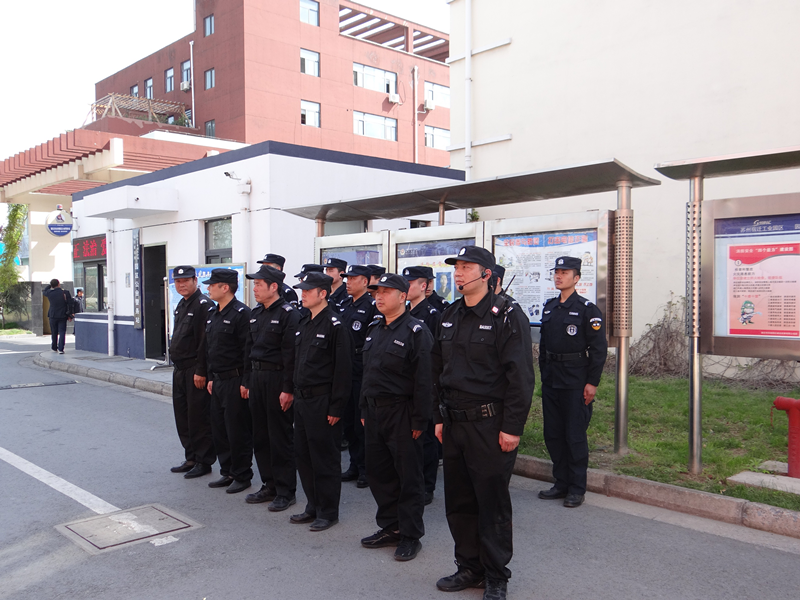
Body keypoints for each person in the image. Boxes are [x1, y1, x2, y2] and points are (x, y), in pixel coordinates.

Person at [432, 246, 535, 600]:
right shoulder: (450, 314)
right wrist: (438, 417)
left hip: (490, 425)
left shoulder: (507, 316)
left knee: (491, 503)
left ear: (487, 274)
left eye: (466, 267)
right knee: (459, 501)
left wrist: (513, 428)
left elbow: (521, 378)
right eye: (457, 267)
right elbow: (437, 370)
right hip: (454, 423)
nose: (459, 273)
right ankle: (469, 567)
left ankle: (495, 575)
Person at [359, 273, 433, 562]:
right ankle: (391, 526)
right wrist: (364, 409)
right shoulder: (374, 329)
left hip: (402, 413)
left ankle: (411, 535)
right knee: (379, 473)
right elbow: (368, 374)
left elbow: (424, 380)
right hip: (374, 411)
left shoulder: (416, 332)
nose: (379, 296)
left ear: (403, 296)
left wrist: (419, 420)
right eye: (377, 292)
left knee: (408, 476)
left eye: (386, 292)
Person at [537, 256, 607, 509]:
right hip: (552, 380)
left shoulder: (588, 310)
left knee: (574, 435)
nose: (559, 276)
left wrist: (592, 382)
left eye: (565, 272)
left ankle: (577, 488)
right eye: (557, 272)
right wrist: (544, 373)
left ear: (576, 278)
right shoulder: (549, 307)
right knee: (553, 434)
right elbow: (544, 346)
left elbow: (598, 349)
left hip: (576, 381)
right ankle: (561, 483)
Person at [290, 272, 352, 532]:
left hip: (322, 401)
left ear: (322, 293)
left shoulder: (335, 325)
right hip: (302, 400)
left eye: (307, 290)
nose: (302, 294)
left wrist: (336, 407)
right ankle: (312, 505)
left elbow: (343, 370)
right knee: (304, 456)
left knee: (324, 458)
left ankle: (328, 511)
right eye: (302, 290)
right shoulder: (305, 322)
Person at [242, 264, 301, 511]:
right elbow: (248, 349)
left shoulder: (288, 314)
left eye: (259, 284)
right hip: (257, 378)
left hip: (277, 379)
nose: (255, 288)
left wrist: (288, 389)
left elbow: (291, 355)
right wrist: (246, 380)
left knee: (280, 436)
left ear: (273, 286)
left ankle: (286, 490)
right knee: (260, 435)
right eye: (254, 284)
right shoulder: (256, 312)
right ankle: (269, 484)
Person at [203, 268, 254, 494]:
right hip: (218, 380)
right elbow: (211, 349)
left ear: (225, 287)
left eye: (212, 285)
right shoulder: (214, 313)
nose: (208, 288)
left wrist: (246, 381)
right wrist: (211, 376)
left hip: (235, 379)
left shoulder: (242, 314)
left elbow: (247, 351)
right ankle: (228, 471)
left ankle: (242, 474)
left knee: (237, 430)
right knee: (219, 429)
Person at [168, 266, 216, 480]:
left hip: (194, 370)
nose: (182, 285)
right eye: (178, 281)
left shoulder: (203, 305)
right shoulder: (182, 304)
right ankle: (190, 457)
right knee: (182, 415)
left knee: (198, 417)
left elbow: (204, 342)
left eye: (186, 280)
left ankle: (203, 460)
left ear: (195, 281)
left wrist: (201, 370)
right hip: (179, 369)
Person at [402, 265, 441, 505]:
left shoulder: (433, 314)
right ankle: (412, 480)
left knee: (426, 437)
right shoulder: (404, 312)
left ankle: (427, 485)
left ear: (423, 286)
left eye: (410, 283)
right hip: (405, 384)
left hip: (425, 382)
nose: (406, 287)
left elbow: (436, 353)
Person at [338, 264, 378, 489]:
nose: (348, 282)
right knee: (349, 421)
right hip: (345, 367)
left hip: (361, 366)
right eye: (347, 278)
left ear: (365, 281)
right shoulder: (345, 304)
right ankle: (354, 464)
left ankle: (366, 468)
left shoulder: (372, 306)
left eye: (353, 278)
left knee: (361, 422)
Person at [43, 279, 72, 354]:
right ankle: (61, 349)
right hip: (63, 315)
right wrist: (70, 315)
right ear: (59, 284)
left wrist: (50, 285)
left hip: (52, 315)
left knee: (54, 332)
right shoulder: (65, 292)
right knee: (62, 332)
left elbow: (44, 291)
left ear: (52, 285)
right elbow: (70, 304)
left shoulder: (49, 292)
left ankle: (54, 347)